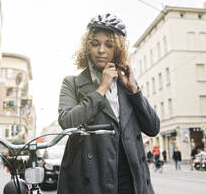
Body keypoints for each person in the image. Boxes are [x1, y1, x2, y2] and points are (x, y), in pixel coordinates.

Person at [58, 14, 160, 194]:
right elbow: (67, 121)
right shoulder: (72, 83)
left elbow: (152, 128)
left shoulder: (126, 85)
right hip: (92, 182)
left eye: (109, 45)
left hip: (131, 182)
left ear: (117, 49)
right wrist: (101, 89)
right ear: (87, 47)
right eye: (95, 43)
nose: (101, 50)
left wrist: (134, 91)